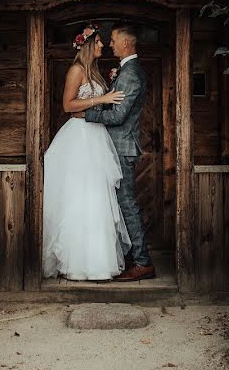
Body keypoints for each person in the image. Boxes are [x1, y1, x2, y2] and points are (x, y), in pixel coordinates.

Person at [42, 24, 131, 280]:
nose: (103, 46)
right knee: (79, 197)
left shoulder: (94, 72)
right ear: (89, 45)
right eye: (100, 42)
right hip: (78, 137)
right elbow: (68, 105)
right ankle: (75, 263)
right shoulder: (76, 70)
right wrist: (100, 100)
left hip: (96, 135)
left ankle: (98, 262)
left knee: (97, 197)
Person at [84, 24, 155, 281]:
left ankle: (143, 262)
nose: (110, 44)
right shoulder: (125, 70)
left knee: (127, 204)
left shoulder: (131, 73)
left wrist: (85, 114)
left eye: (113, 40)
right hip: (115, 148)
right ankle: (128, 256)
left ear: (126, 43)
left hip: (122, 148)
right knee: (118, 205)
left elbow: (117, 115)